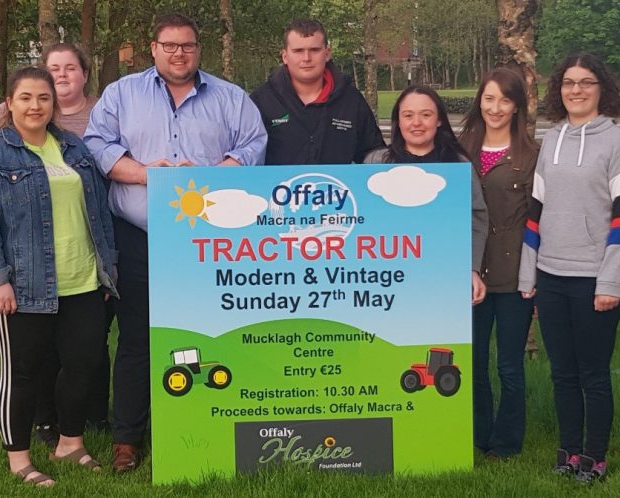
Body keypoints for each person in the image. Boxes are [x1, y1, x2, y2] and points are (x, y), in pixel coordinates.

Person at [83, 13, 267, 473]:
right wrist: (148, 175)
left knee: (211, 333)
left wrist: (205, 179)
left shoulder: (230, 97)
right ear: (153, 48)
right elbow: (97, 146)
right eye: (169, 45)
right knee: (137, 339)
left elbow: (252, 147)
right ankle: (128, 440)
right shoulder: (121, 95)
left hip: (211, 243)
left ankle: (208, 428)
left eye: (187, 46)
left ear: (198, 49)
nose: (178, 53)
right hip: (138, 235)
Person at [0, 66, 118, 486]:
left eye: (44, 98)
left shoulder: (74, 148)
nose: (36, 106)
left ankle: (70, 443)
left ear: (54, 104)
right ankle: (20, 460)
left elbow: (100, 211)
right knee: (23, 373)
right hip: (24, 285)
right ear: (9, 103)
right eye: (26, 97)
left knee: (84, 363)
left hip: (84, 281)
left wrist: (108, 269)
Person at [518, 52, 620, 483]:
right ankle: (568, 450)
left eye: (586, 82)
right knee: (562, 373)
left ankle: (595, 457)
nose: (576, 89)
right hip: (551, 277)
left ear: (601, 88)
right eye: (568, 82)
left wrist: (610, 280)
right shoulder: (551, 139)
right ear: (559, 89)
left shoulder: (617, 142)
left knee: (593, 374)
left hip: (593, 280)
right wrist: (528, 274)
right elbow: (536, 210)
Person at [457, 67, 539, 460]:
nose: (495, 107)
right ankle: (476, 435)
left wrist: (534, 275)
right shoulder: (459, 150)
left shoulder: (531, 156)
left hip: (513, 274)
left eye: (505, 100)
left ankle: (506, 444)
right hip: (468, 272)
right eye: (489, 98)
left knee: (509, 366)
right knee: (471, 364)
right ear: (479, 101)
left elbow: (540, 222)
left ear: (517, 106)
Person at [364, 85, 488, 304]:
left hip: (443, 278)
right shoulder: (375, 164)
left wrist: (472, 268)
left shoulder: (457, 166)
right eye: (408, 115)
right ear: (398, 121)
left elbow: (476, 218)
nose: (416, 123)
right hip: (384, 282)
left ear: (439, 120)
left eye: (426, 115)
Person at [250, 18, 384, 165]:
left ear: (327, 53)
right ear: (285, 56)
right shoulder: (261, 101)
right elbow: (246, 154)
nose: (306, 58)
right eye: (298, 51)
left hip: (335, 187)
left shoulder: (351, 100)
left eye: (314, 50)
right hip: (277, 188)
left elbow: (373, 153)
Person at [0, 43, 98, 151]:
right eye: (54, 69)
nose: (62, 74)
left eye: (70, 69)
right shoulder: (17, 107)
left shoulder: (103, 110)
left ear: (85, 75)